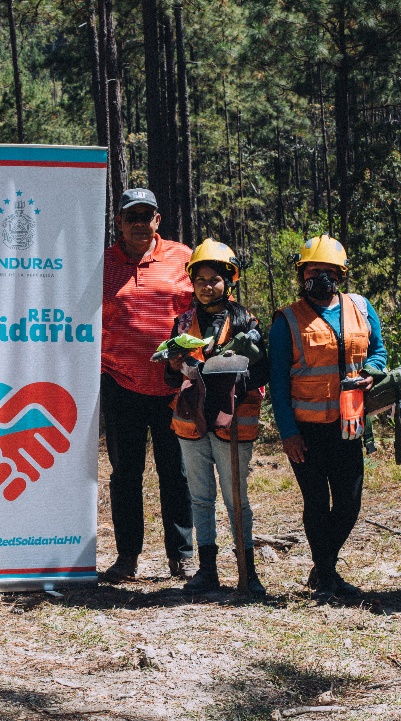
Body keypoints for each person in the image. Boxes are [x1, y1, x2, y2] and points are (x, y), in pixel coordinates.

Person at [268, 235, 387, 600]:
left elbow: (378, 350)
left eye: (329, 271)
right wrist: (288, 433)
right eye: (313, 270)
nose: (321, 277)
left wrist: (373, 369)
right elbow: (277, 381)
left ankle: (322, 567)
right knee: (317, 503)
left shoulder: (361, 308)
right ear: (301, 274)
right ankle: (328, 576)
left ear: (341, 275)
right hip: (306, 431)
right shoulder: (286, 320)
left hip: (349, 425)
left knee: (349, 503)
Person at [100, 188, 195, 583]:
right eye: (131, 216)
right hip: (121, 383)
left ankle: (183, 556)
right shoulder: (101, 263)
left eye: (146, 215)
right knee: (125, 474)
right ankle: (127, 557)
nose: (140, 223)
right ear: (119, 222)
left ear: (158, 219)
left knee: (177, 472)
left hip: (173, 385)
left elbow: (198, 312)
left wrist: (189, 361)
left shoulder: (183, 257)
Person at [164, 240, 267, 595]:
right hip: (191, 422)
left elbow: (263, 371)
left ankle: (247, 572)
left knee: (236, 499)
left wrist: (231, 377)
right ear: (192, 282)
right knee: (201, 498)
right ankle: (207, 570)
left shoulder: (245, 321)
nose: (208, 286)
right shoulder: (182, 323)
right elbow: (168, 377)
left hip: (232, 422)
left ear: (229, 280)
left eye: (215, 279)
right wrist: (175, 366)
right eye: (201, 279)